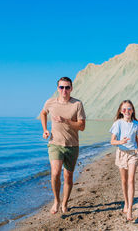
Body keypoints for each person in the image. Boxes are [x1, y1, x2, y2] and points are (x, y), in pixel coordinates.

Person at [40, 76, 86, 214]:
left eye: (67, 87)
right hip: (55, 144)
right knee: (55, 173)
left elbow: (82, 126)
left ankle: (65, 203)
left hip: (72, 145)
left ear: (71, 88)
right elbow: (43, 113)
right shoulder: (50, 102)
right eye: (61, 87)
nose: (64, 90)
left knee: (68, 176)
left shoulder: (77, 104)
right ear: (58, 89)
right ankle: (56, 201)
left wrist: (66, 121)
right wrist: (45, 130)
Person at [109, 100, 138, 221]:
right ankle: (126, 202)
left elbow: (136, 139)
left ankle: (130, 211)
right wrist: (120, 142)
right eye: (124, 109)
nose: (127, 111)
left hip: (133, 153)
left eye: (129, 109)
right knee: (123, 180)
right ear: (120, 111)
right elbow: (112, 141)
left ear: (132, 110)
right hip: (121, 153)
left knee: (131, 180)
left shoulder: (136, 123)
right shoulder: (118, 123)